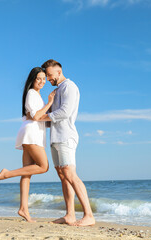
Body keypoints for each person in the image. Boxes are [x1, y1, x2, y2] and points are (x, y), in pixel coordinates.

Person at [32, 59, 95, 226]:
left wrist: (43, 116)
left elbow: (65, 112)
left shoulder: (69, 87)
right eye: (47, 76)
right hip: (55, 137)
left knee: (70, 174)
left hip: (66, 136)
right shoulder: (57, 90)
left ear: (59, 72)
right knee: (63, 176)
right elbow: (49, 118)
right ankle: (70, 215)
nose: (49, 79)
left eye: (50, 75)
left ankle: (89, 215)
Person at [0, 67, 55, 222]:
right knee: (43, 166)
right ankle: (6, 173)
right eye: (38, 78)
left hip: (31, 133)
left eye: (44, 79)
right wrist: (50, 103)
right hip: (31, 134)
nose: (42, 81)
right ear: (32, 79)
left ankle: (23, 209)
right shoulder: (32, 94)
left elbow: (35, 116)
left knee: (27, 173)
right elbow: (36, 116)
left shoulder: (35, 95)